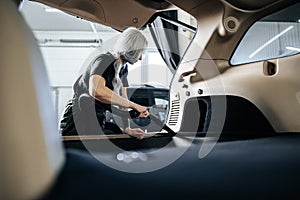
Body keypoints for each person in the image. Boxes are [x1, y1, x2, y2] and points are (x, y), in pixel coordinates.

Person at [59, 27, 149, 140]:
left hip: (96, 119)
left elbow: (123, 99)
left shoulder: (123, 69)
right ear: (131, 49)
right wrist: (135, 106)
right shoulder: (103, 61)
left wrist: (127, 128)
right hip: (77, 119)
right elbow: (96, 91)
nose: (140, 58)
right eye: (140, 53)